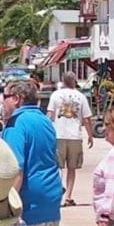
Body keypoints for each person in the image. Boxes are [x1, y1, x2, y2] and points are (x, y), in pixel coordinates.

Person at [1, 78, 65, 226]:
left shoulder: (16, 124)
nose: (1, 101)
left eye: (5, 96)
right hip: (50, 203)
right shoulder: (45, 121)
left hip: (28, 208)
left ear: (17, 99)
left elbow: (16, 170)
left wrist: (9, 208)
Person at [48, 73, 93, 205]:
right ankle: (68, 196)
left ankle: (57, 194)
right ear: (74, 81)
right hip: (75, 136)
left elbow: (50, 115)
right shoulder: (81, 97)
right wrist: (90, 135)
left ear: (62, 81)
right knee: (72, 168)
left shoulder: (55, 95)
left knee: (57, 167)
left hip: (58, 134)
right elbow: (86, 119)